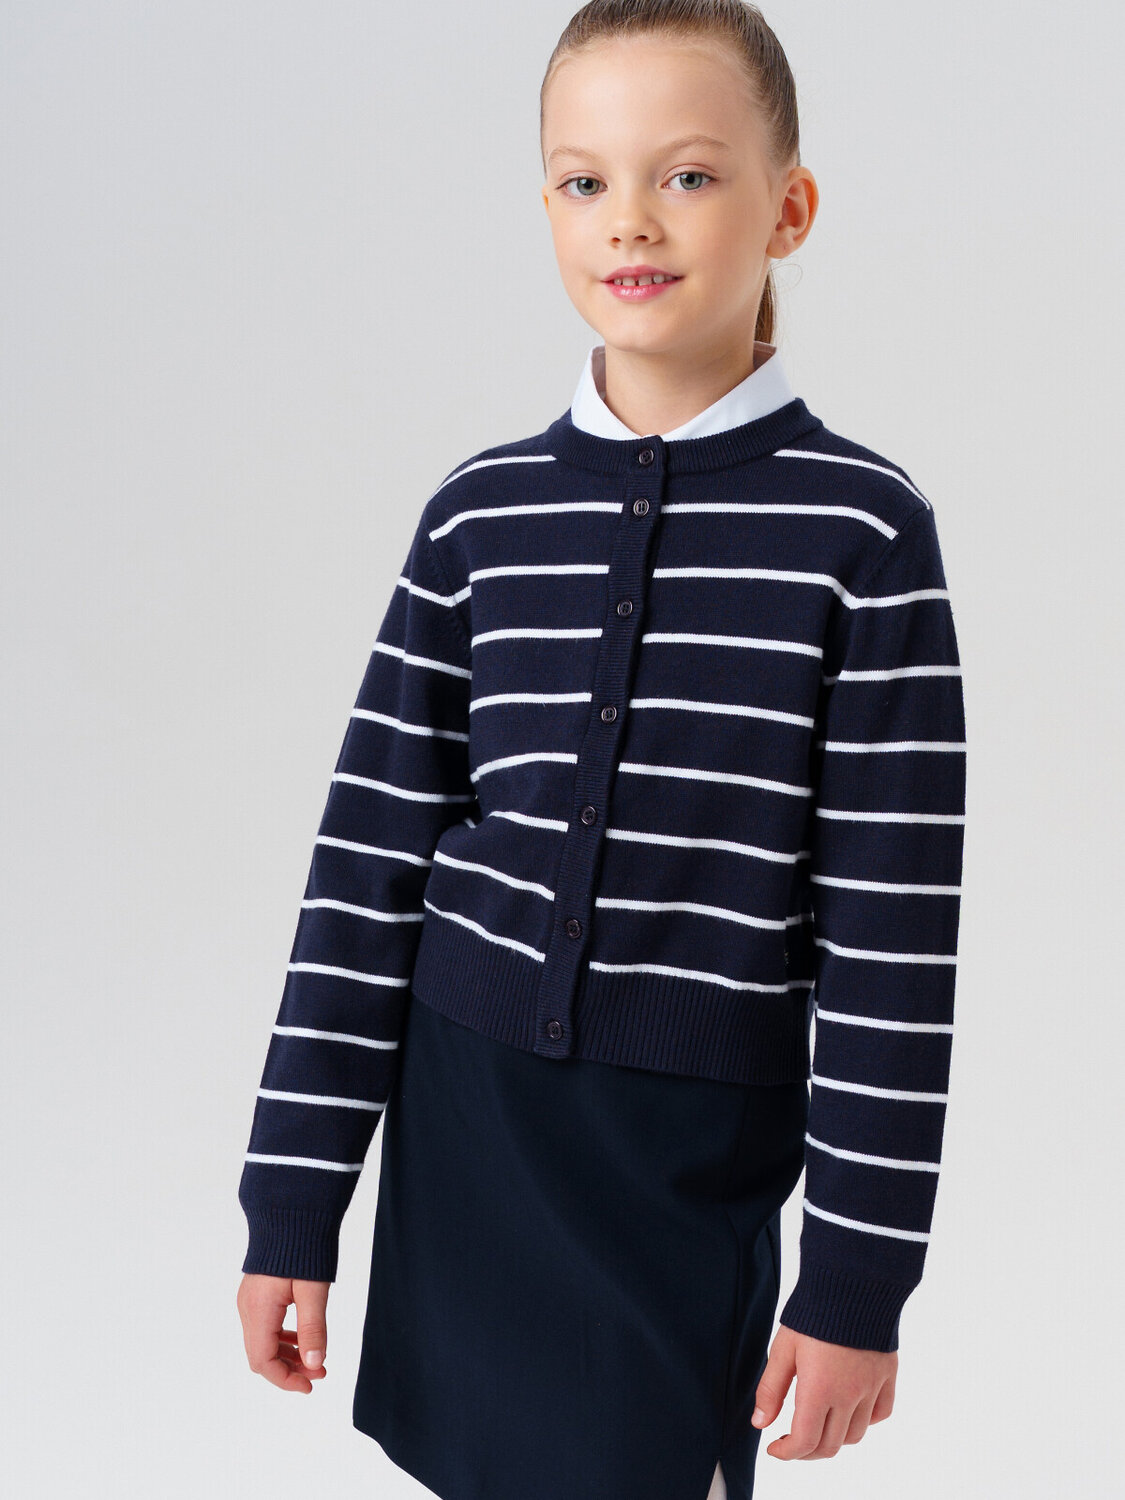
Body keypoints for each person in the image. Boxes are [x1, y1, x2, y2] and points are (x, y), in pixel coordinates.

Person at [235, 3, 967, 1497]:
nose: (629, 217)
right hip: (464, 1131)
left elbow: (894, 938)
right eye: (584, 180)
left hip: (682, 1158)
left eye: (687, 175)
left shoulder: (862, 534)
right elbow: (366, 865)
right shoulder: (479, 516)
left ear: (790, 208)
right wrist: (292, 1202)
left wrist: (856, 1282)